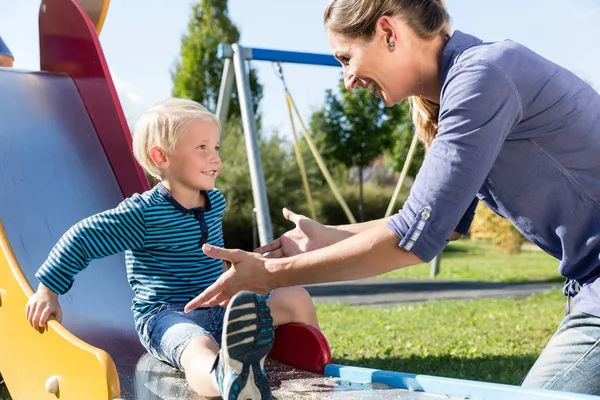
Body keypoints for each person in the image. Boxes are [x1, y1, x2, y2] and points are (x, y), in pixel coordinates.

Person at [184, 0, 600, 396]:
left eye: (346, 58)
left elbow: (413, 239)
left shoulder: (482, 79)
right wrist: (331, 235)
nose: (347, 80)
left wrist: (275, 275)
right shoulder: (462, 87)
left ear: (388, 32)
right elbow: (444, 224)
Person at [25, 98, 319, 399]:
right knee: (198, 347)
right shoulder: (142, 214)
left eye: (216, 148)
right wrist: (48, 290)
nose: (215, 158)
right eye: (201, 148)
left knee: (296, 298)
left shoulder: (214, 202)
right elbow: (83, 237)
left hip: (217, 303)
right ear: (161, 158)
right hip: (167, 315)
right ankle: (229, 380)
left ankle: (316, 373)